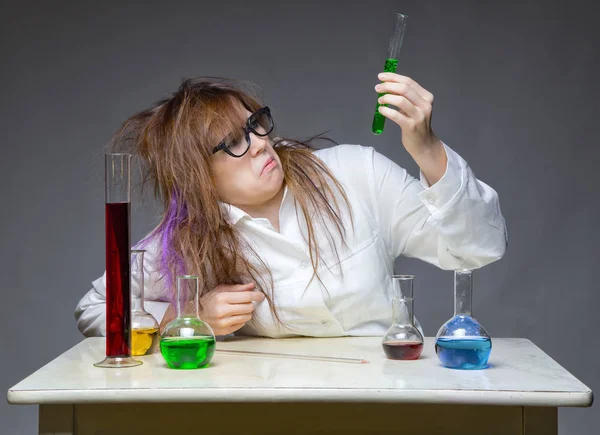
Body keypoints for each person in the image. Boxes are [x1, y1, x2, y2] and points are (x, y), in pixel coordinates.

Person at [75, 74, 507, 339]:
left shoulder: (354, 172)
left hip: (383, 394)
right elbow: (96, 309)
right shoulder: (189, 238)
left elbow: (478, 248)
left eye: (255, 124)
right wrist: (188, 314)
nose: (261, 143)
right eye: (234, 143)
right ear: (197, 176)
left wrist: (428, 149)